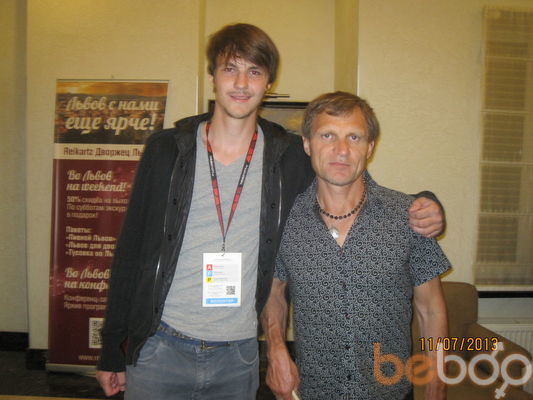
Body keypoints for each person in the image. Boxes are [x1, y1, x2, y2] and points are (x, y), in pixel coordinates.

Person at [96, 24, 445, 400]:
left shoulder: (288, 157)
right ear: (212, 76)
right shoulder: (167, 150)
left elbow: (343, 170)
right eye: (230, 69)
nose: (241, 83)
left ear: (268, 83)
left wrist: (424, 203)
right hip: (159, 346)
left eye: (254, 71)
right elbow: (130, 251)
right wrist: (111, 347)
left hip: (238, 355)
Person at [261, 92, 450, 400]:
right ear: (307, 144)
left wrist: (436, 386)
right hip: (314, 392)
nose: (342, 150)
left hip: (391, 392)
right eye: (327, 135)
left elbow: (431, 310)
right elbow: (274, 292)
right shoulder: (285, 221)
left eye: (354, 137)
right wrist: (276, 348)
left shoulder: (409, 217)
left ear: (370, 147)